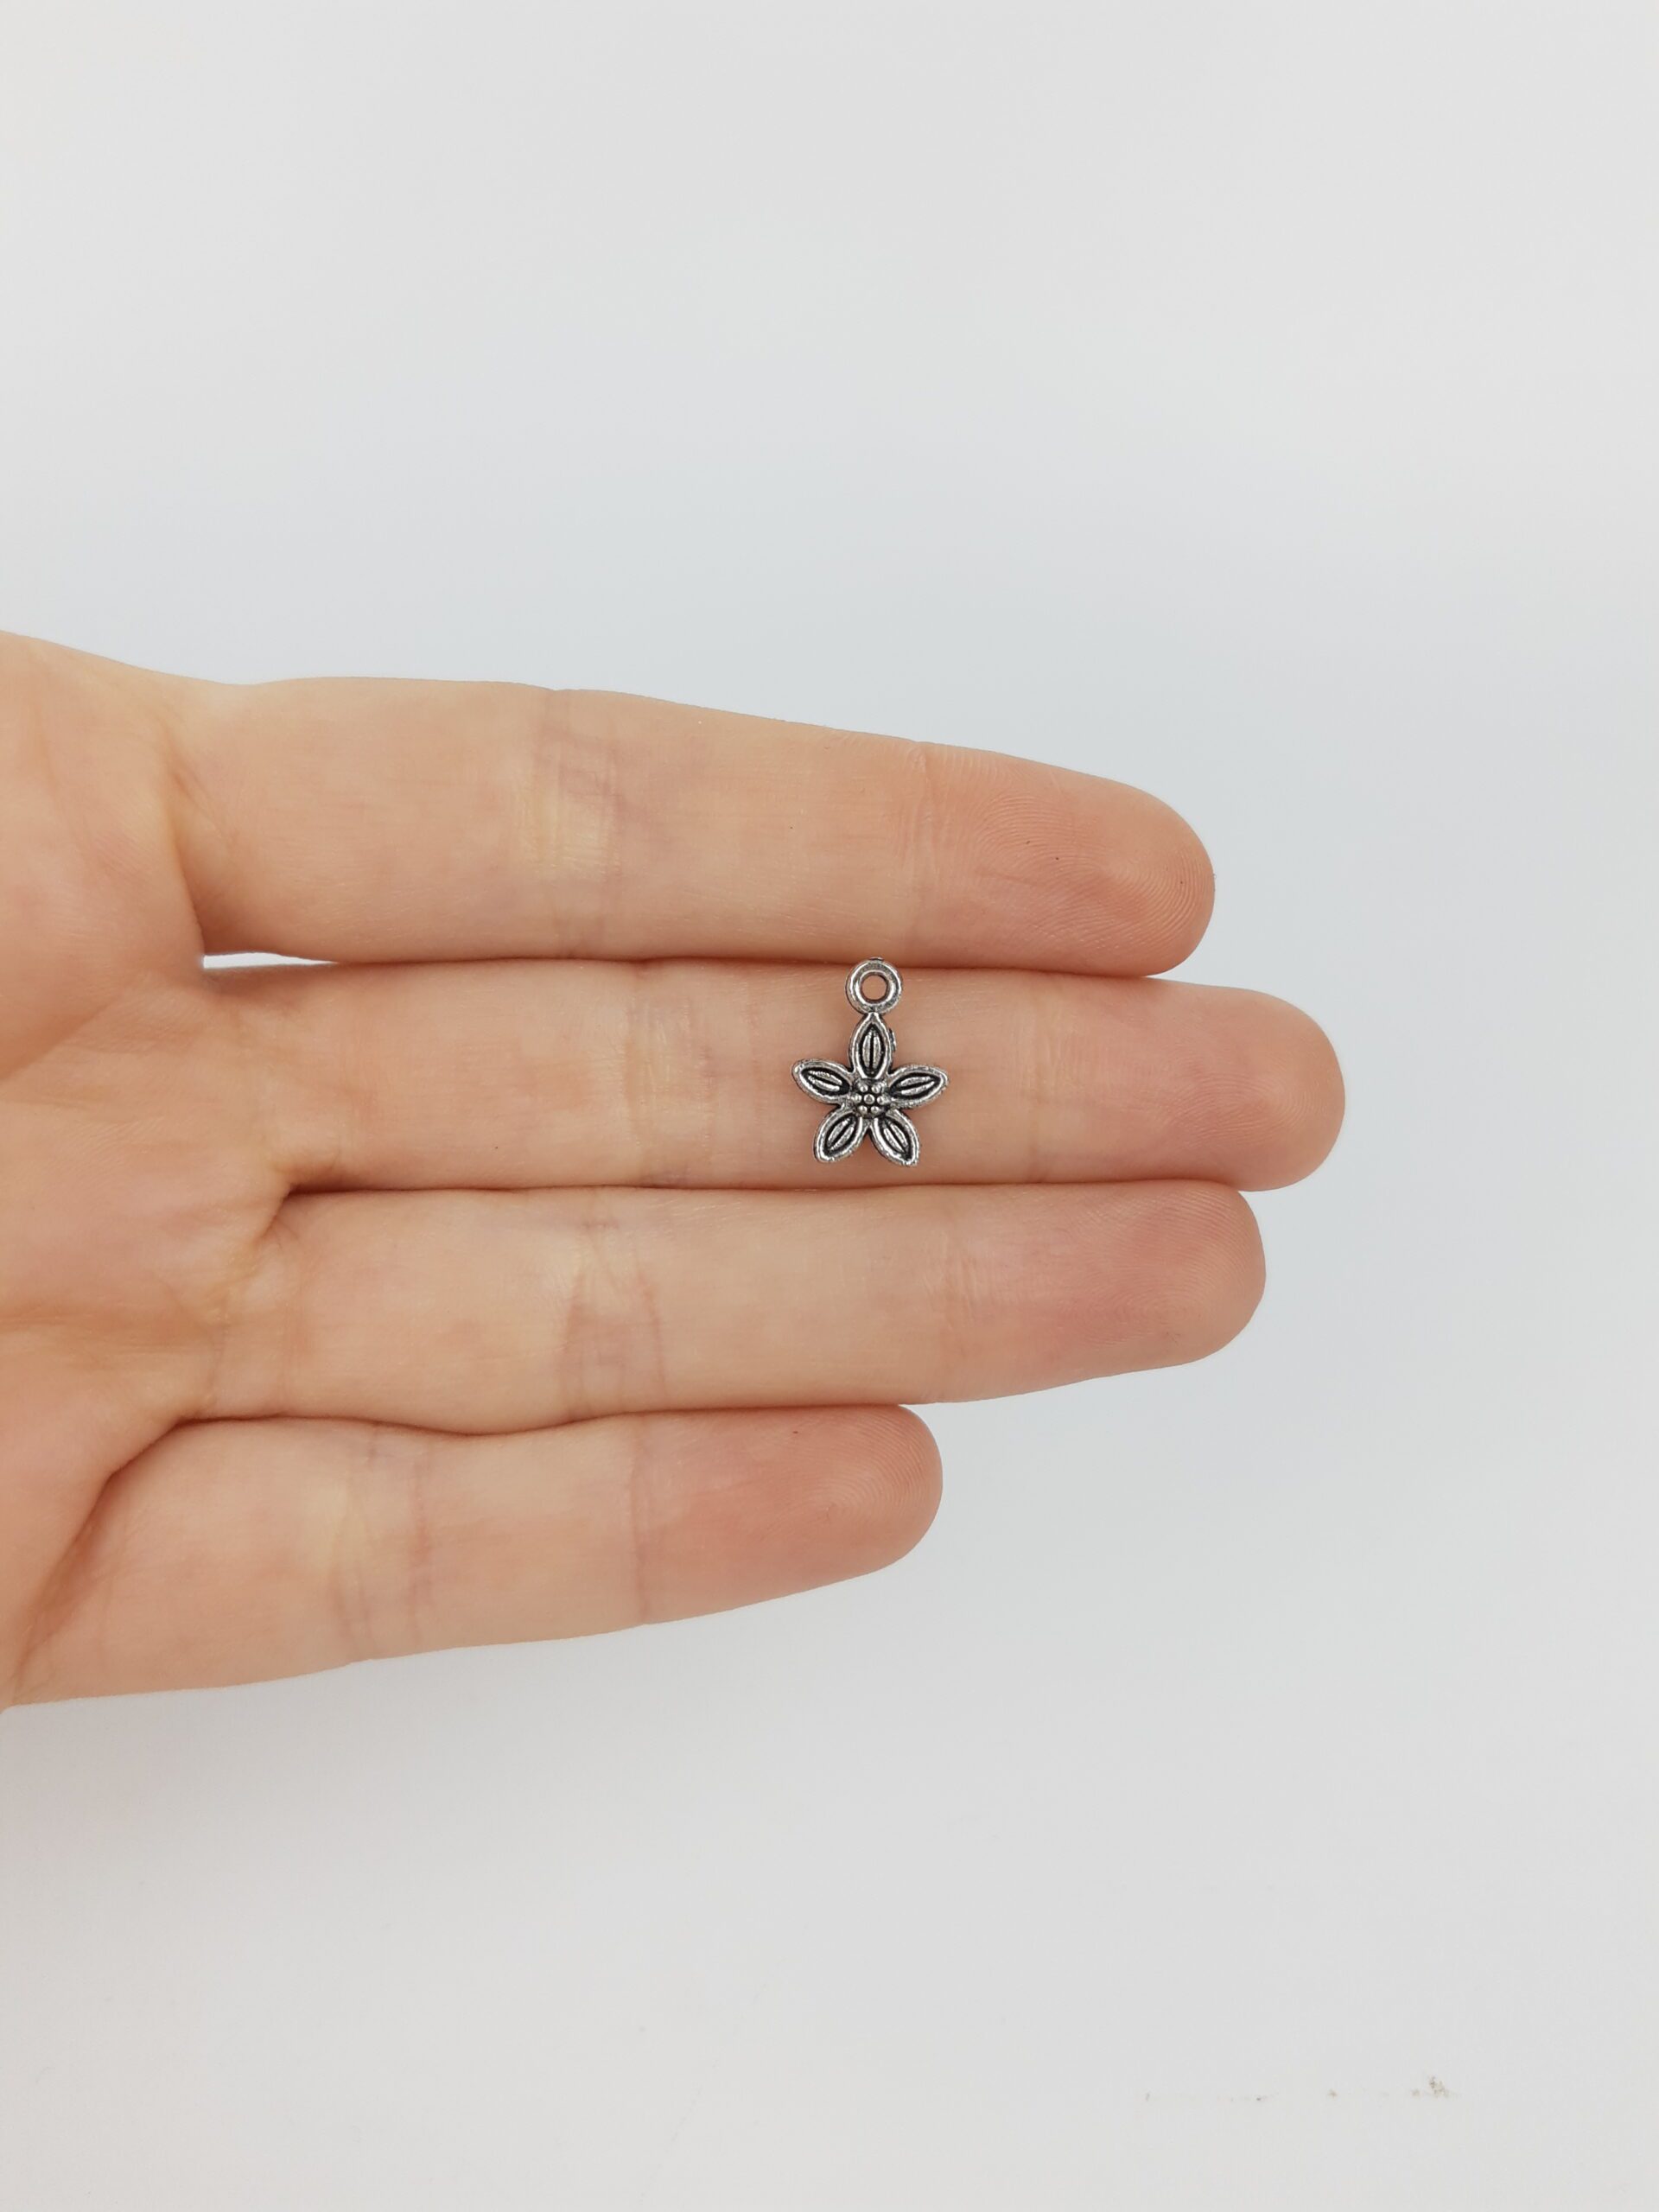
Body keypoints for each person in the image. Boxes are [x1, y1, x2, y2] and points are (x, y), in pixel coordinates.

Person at [0, 632, 1342, 1701]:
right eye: (865, 1084)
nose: (870, 1092)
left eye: (874, 1084)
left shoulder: (865, 1078)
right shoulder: (865, 1083)